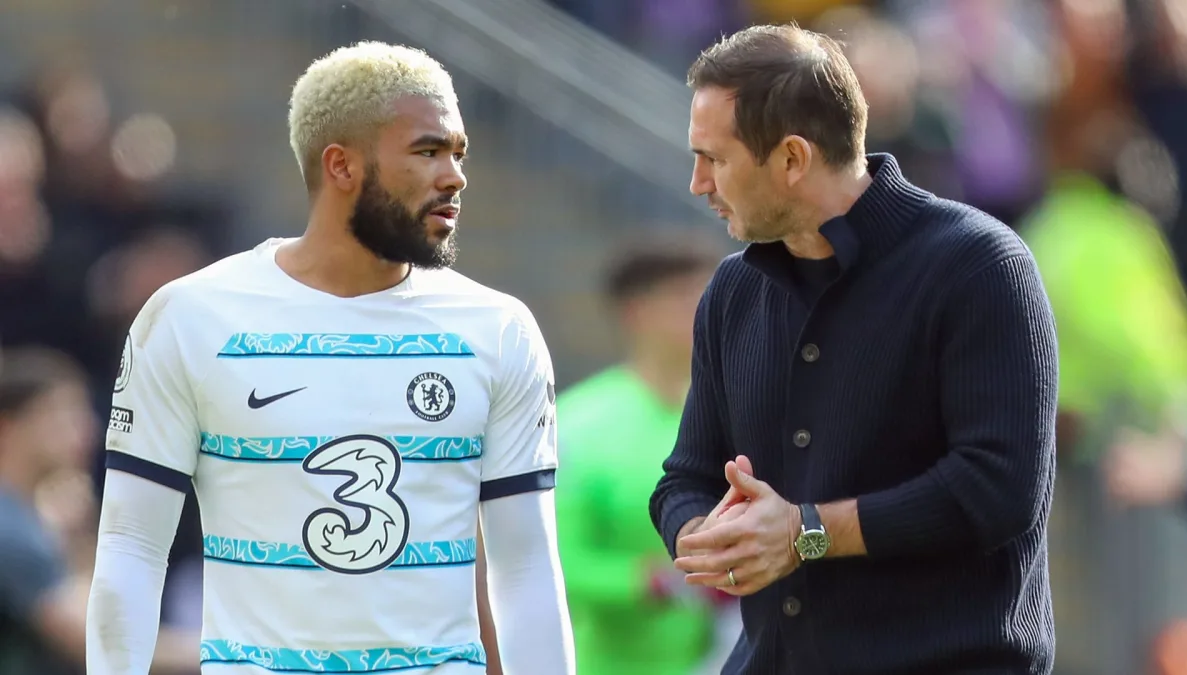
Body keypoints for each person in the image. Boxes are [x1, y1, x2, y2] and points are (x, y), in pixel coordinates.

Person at [85, 41, 575, 675]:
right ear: (341, 166)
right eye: (428, 150)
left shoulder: (499, 329)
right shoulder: (189, 318)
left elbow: (527, 564)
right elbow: (131, 545)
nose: (454, 175)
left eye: (459, 153)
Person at [649, 24, 1058, 674]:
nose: (699, 182)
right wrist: (707, 531)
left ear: (791, 159)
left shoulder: (979, 265)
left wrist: (804, 531)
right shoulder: (732, 290)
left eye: (714, 158)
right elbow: (685, 477)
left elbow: (997, 488)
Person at [554, 237, 735, 675]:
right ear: (636, 312)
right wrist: (655, 582)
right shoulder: (576, 423)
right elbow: (558, 562)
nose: (702, 309)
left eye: (707, 294)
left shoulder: (737, 411)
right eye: (683, 296)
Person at [0, 347, 196, 675]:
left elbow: (107, 609)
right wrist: (228, 652)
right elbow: (103, 644)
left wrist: (78, 535)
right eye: (61, 415)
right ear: (7, 426)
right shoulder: (11, 530)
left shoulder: (35, 520)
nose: (87, 430)